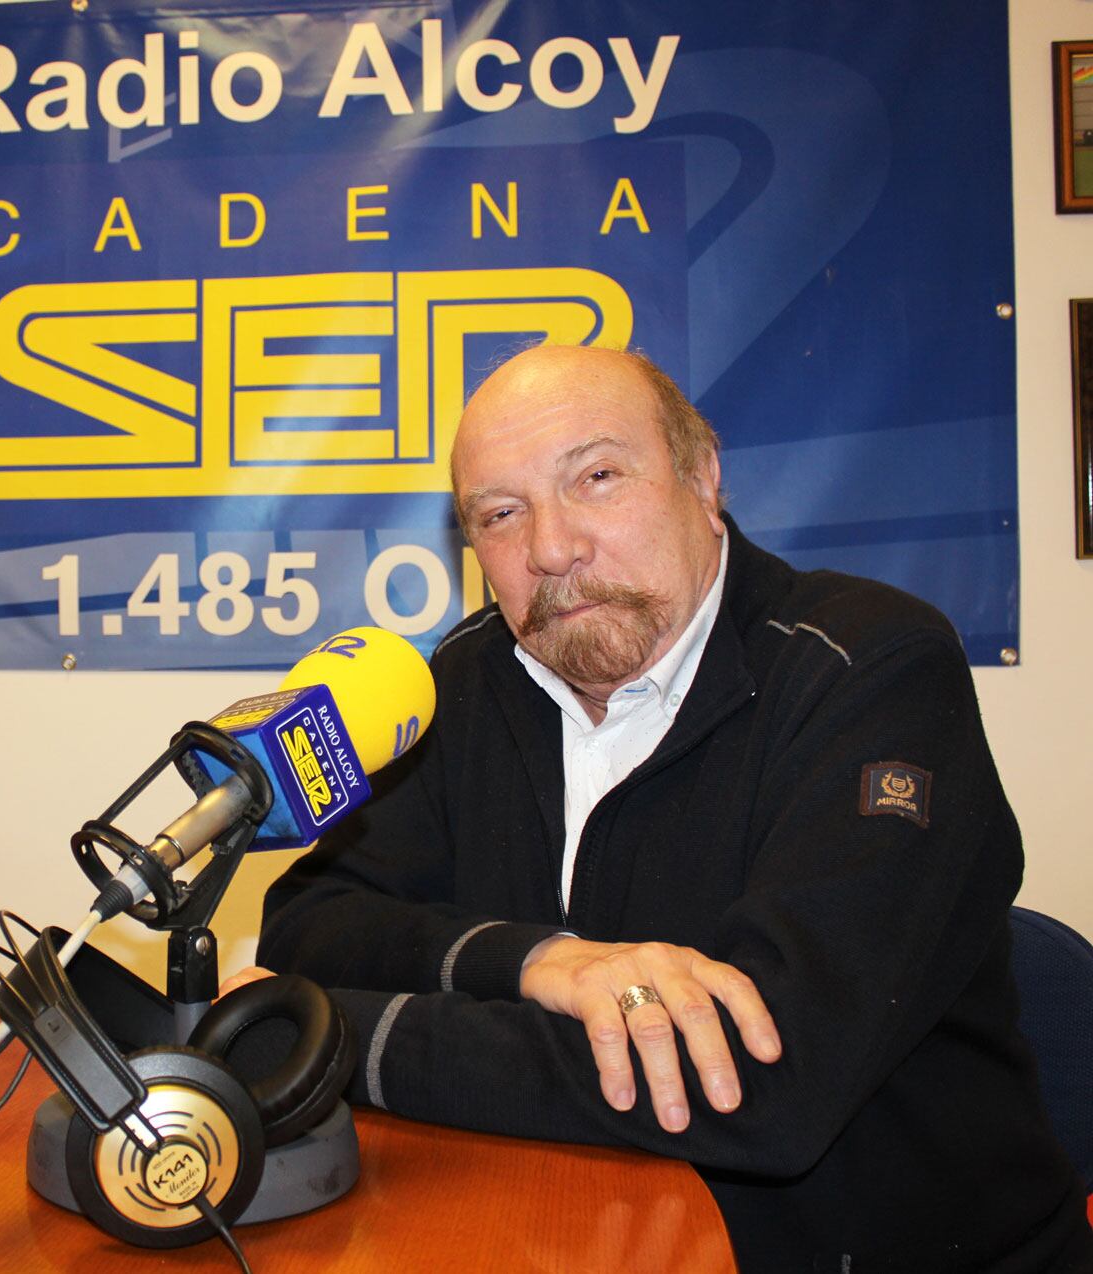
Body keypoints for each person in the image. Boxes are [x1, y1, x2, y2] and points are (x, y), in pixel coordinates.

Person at [235, 345, 1092, 1270]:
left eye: (596, 477)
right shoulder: (468, 679)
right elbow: (311, 928)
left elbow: (756, 1080)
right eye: (500, 513)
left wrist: (326, 1041)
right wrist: (536, 963)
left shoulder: (873, 669)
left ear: (703, 476)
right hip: (572, 1233)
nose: (551, 546)